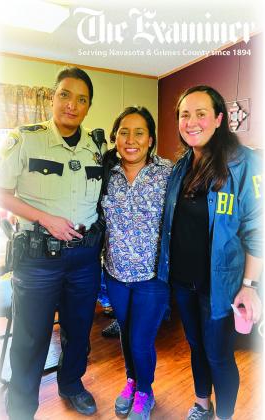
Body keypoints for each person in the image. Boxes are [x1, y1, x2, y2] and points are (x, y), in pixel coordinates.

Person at [0, 67, 106, 418]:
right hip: (38, 259)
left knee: (77, 332)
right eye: (65, 95)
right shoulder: (25, 138)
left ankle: (71, 384)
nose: (72, 105)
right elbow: (0, 192)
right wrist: (44, 217)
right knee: (31, 339)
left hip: (86, 258)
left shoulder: (97, 147)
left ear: (88, 106)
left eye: (81, 99)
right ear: (52, 97)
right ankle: (21, 407)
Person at [158, 85, 262, 420]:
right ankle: (202, 403)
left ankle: (224, 415)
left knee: (218, 355)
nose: (191, 122)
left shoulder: (246, 163)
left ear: (219, 118)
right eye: (184, 115)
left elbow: (256, 231)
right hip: (183, 281)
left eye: (201, 113)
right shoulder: (181, 166)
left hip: (222, 285)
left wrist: (249, 284)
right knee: (196, 346)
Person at [99, 107, 172, 420]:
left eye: (139, 132)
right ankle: (132, 380)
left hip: (153, 278)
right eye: (123, 132)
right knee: (126, 334)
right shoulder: (105, 174)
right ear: (115, 137)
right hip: (115, 274)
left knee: (141, 340)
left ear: (151, 139)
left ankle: (145, 391)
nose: (130, 139)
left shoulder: (167, 173)